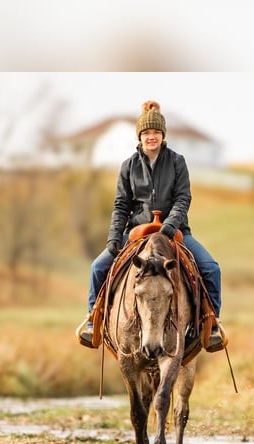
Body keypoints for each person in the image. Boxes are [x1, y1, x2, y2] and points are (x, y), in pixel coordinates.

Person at [79, 100, 225, 350]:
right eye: (146, 133)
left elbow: (183, 198)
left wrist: (169, 226)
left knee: (211, 269)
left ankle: (210, 324)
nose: (151, 137)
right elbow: (121, 205)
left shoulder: (177, 162)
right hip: (135, 233)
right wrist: (114, 237)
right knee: (98, 267)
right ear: (140, 136)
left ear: (163, 135)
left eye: (156, 132)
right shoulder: (128, 166)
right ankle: (95, 320)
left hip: (175, 233)